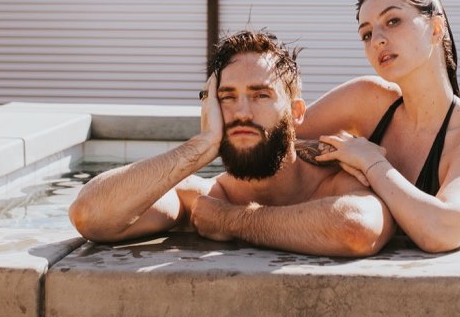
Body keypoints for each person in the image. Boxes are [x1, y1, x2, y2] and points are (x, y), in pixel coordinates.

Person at [69, 29, 394, 258]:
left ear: (296, 112)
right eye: (226, 98)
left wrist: (233, 220)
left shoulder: (338, 178)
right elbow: (90, 215)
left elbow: (356, 230)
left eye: (261, 95)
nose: (241, 112)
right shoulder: (202, 199)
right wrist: (201, 146)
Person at [299, 0, 460, 253]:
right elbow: (268, 138)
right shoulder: (366, 99)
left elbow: (444, 231)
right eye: (367, 34)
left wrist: (371, 163)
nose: (377, 41)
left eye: (393, 21)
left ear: (435, 28)